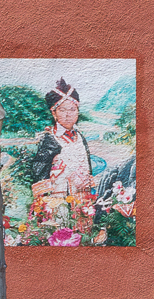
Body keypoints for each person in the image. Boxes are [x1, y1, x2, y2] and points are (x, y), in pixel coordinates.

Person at [25, 79, 103, 241]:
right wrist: (48, 202)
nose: (68, 114)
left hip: (82, 201)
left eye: (72, 109)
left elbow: (87, 166)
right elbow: (39, 174)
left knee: (84, 239)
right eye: (62, 110)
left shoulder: (80, 137)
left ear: (78, 111)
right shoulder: (50, 139)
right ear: (54, 113)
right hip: (58, 203)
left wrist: (89, 183)